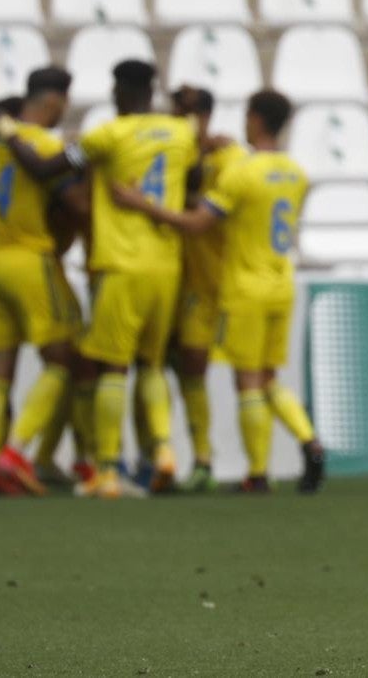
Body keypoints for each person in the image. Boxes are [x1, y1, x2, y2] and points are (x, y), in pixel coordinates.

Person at [0, 60, 200, 498]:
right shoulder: (182, 134)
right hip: (167, 265)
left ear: (121, 92)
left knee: (112, 368)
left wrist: (10, 133)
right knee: (151, 363)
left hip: (120, 264)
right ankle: (163, 450)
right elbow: (194, 177)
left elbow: (48, 169)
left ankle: (106, 470)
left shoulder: (108, 135)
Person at [112, 89, 326, 494]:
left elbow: (198, 224)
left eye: (247, 115)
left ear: (257, 120)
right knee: (267, 378)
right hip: (282, 283)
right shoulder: (297, 173)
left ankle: (257, 475)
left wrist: (145, 206)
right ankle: (309, 442)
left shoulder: (239, 173)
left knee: (247, 383)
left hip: (244, 287)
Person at [0, 67, 90, 497]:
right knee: (62, 360)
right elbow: (72, 198)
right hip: (30, 260)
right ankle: (17, 454)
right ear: (54, 100)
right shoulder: (41, 143)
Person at [165, 85, 248, 492]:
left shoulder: (230, 158)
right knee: (191, 366)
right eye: (176, 112)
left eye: (188, 113)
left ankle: (258, 470)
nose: (181, 121)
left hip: (232, 283)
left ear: (206, 116)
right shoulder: (171, 156)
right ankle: (201, 458)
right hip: (194, 284)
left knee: (251, 377)